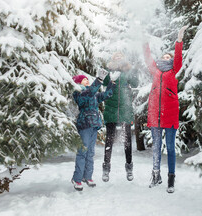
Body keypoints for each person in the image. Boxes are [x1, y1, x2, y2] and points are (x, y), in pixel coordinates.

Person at [143, 25, 188, 193]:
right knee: (156, 147)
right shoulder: (155, 70)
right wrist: (144, 41)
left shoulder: (174, 70)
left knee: (169, 147)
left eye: (168, 56)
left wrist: (179, 40)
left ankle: (171, 178)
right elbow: (147, 57)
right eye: (164, 55)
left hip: (170, 116)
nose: (166, 57)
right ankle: (156, 175)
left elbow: (178, 58)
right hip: (155, 115)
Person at [71, 68, 116, 191]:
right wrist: (99, 80)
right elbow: (89, 93)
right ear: (78, 83)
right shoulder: (79, 93)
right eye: (84, 80)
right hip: (84, 125)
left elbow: (106, 95)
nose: (87, 81)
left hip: (94, 125)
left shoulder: (94, 94)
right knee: (82, 152)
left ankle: (88, 177)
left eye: (87, 80)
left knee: (90, 153)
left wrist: (112, 83)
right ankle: (77, 179)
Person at [101, 52, 139, 182]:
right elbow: (104, 83)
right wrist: (110, 77)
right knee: (109, 139)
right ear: (113, 59)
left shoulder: (127, 70)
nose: (118, 58)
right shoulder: (108, 70)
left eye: (120, 57)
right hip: (111, 109)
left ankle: (129, 168)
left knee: (127, 139)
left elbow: (135, 83)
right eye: (116, 57)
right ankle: (106, 169)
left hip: (125, 109)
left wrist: (134, 70)